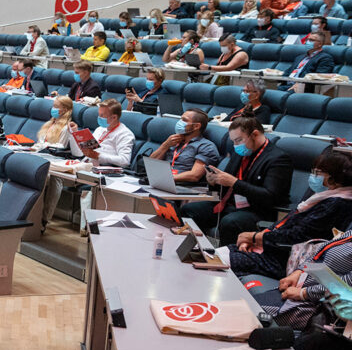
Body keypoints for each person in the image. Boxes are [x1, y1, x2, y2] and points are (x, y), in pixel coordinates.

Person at [229, 150, 352, 279]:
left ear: (335, 179)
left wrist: (256, 238)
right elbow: (287, 224)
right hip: (274, 250)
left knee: (217, 261)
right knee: (215, 255)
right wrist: (257, 239)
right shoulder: (324, 197)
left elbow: (297, 236)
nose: (313, 176)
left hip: (283, 260)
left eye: (317, 173)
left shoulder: (336, 204)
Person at [184, 117, 292, 246]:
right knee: (189, 210)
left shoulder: (278, 159)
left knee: (231, 222)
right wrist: (213, 182)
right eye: (233, 141)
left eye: (239, 140)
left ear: (255, 134)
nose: (236, 145)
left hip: (257, 211)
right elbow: (224, 188)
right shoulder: (240, 152)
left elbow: (270, 197)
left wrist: (234, 183)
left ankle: (226, 260)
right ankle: (194, 250)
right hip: (230, 205)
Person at [150, 109, 218, 184]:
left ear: (196, 126)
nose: (179, 122)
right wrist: (165, 145)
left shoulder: (206, 146)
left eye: (184, 120)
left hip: (183, 186)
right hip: (161, 182)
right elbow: (150, 165)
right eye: (180, 119)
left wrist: (165, 178)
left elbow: (194, 176)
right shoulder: (172, 141)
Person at [71, 99, 133, 168]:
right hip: (87, 164)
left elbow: (125, 161)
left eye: (102, 115)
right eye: (99, 115)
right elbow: (81, 153)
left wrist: (98, 156)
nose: (99, 118)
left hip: (104, 170)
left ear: (114, 117)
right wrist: (74, 132)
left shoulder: (125, 134)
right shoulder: (100, 129)